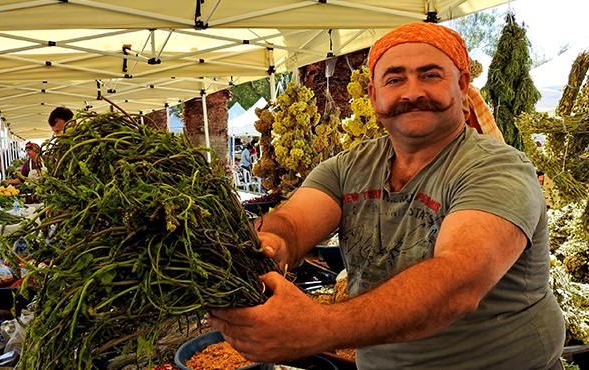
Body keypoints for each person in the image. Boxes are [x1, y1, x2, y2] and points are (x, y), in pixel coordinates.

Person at [208, 22, 565, 370]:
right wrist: (273, 243)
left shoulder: (499, 167)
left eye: (430, 75)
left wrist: (319, 327)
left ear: (461, 84)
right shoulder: (350, 166)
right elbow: (294, 220)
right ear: (374, 95)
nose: (412, 92)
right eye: (395, 79)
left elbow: (459, 280)